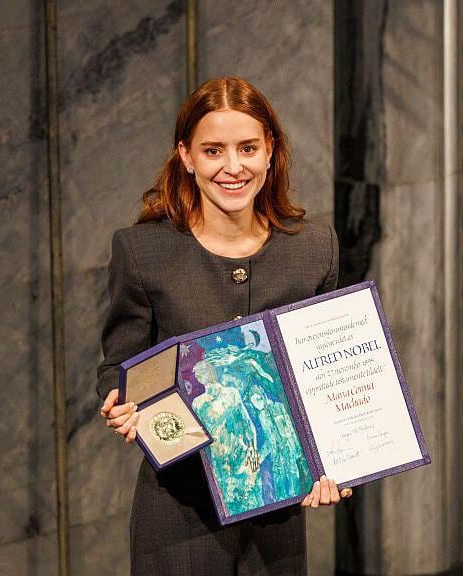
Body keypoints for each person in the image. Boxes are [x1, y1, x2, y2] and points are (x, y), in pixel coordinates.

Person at [97, 77, 352, 575]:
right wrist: (120, 401)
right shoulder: (143, 252)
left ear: (271, 151)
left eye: (248, 148)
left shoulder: (313, 249)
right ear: (186, 156)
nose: (233, 167)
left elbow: (328, 377)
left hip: (279, 513)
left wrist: (338, 460)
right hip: (178, 510)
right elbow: (118, 368)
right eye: (213, 150)